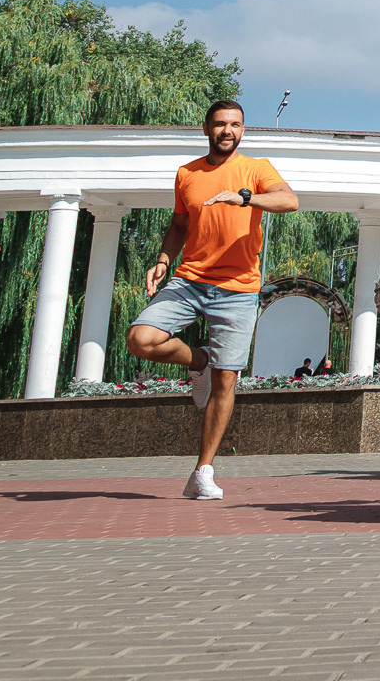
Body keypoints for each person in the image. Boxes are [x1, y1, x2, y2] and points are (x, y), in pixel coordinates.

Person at [124, 100, 299, 501]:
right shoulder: (187, 173)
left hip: (239, 288)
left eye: (235, 124)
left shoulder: (256, 170)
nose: (228, 131)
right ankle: (198, 361)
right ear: (206, 129)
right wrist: (163, 259)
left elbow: (289, 201)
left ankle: (203, 470)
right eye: (220, 124)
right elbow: (180, 222)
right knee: (141, 339)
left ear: (242, 130)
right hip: (190, 279)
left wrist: (245, 199)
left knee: (227, 378)